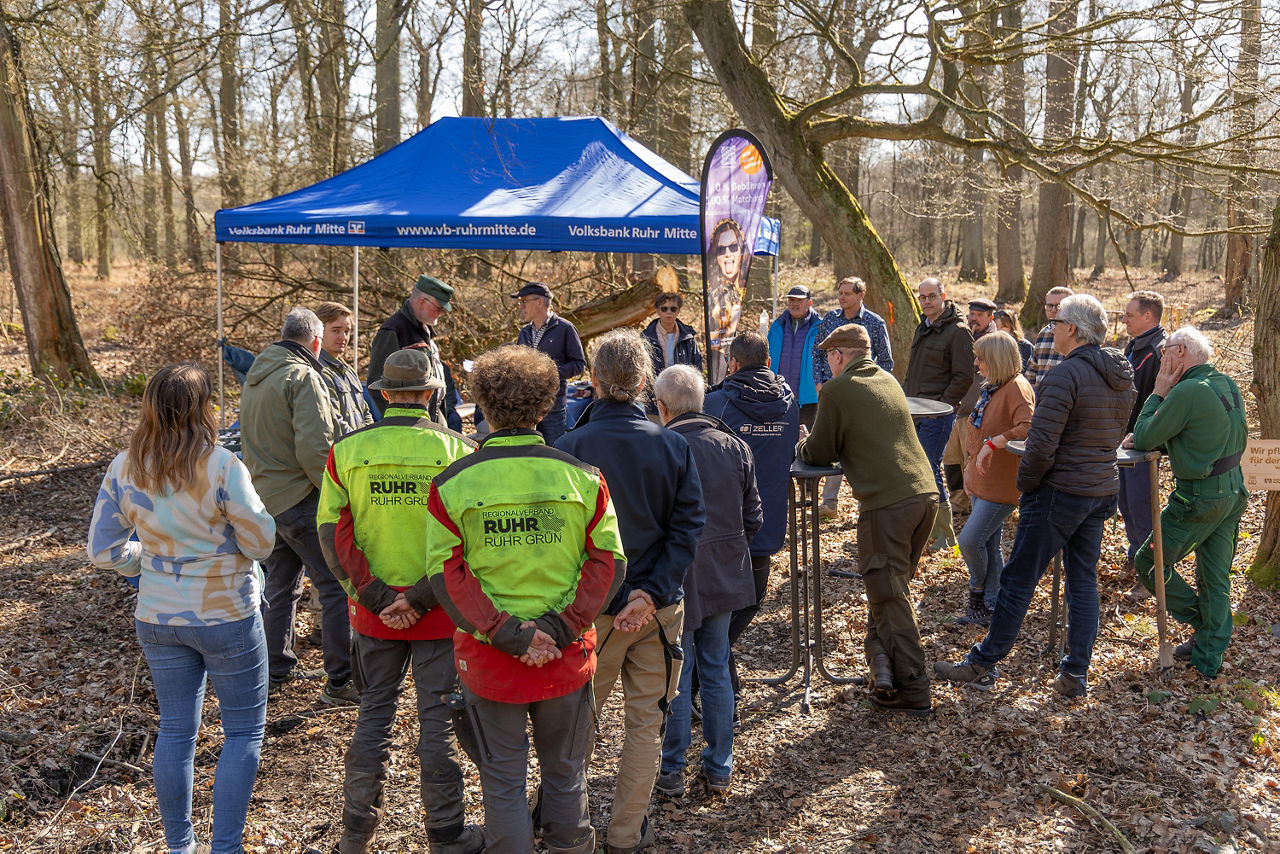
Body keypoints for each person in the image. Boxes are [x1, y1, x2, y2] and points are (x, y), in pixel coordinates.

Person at [426, 345, 627, 854]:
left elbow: (445, 573)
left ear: (485, 410)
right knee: (565, 774)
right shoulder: (581, 477)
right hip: (563, 656)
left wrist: (507, 634)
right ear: (544, 407)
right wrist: (557, 630)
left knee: (502, 783)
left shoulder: (452, 483)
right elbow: (610, 563)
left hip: (491, 659)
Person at [88, 364, 276, 854]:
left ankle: (179, 847)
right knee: (242, 731)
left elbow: (103, 552)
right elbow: (261, 542)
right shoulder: (221, 465)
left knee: (175, 732)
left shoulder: (125, 466)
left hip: (158, 615)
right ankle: (226, 848)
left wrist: (146, 559)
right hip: (227, 613)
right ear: (203, 408)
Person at [316, 350, 482, 854]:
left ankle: (353, 838)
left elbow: (332, 534)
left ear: (383, 393)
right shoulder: (457, 450)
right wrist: (420, 597)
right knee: (438, 718)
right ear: (431, 394)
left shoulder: (346, 451)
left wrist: (378, 597)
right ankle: (447, 835)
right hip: (439, 613)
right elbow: (467, 541)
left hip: (374, 613)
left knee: (374, 716)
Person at [936, 295, 1134, 699]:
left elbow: (1041, 446)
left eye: (1057, 322)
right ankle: (1075, 673)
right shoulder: (1120, 376)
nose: (1051, 329)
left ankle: (983, 661)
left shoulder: (1066, 375)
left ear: (1073, 330)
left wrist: (1027, 485)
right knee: (1082, 582)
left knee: (1017, 580)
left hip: (1059, 492)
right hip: (1097, 490)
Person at [555, 328, 705, 854]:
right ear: (644, 382)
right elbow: (688, 530)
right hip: (654, 610)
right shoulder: (673, 445)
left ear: (593, 381)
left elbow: (565, 542)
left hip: (598, 609)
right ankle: (623, 834)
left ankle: (564, 826)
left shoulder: (569, 448)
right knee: (645, 726)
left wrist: (625, 598)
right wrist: (650, 595)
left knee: (576, 727)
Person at [798, 324, 939, 716]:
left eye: (828, 355)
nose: (827, 362)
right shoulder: (887, 380)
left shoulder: (840, 390)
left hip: (887, 503)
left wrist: (802, 440)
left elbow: (818, 452)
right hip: (924, 495)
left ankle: (915, 690)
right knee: (889, 592)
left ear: (840, 355)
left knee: (889, 595)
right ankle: (884, 673)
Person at [654, 365, 762, 798]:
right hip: (721, 571)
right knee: (715, 666)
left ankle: (673, 769)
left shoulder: (663, 447)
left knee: (679, 671)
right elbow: (754, 517)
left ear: (662, 408)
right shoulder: (733, 445)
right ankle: (719, 766)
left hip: (678, 573)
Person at [240, 307, 354, 704]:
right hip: (301, 499)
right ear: (316, 342)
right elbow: (315, 449)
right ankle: (341, 681)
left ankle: (274, 667)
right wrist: (338, 497)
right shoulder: (304, 376)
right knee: (336, 585)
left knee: (281, 585)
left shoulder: (258, 375)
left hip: (265, 498)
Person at [1127, 326, 1248, 680]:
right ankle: (1207, 657)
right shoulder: (1225, 382)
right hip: (1233, 493)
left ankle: (1210, 626)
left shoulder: (1186, 391)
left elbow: (1146, 434)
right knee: (1214, 577)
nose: (1163, 359)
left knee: (1149, 562)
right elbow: (1204, 435)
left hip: (1198, 499)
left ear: (1180, 352)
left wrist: (1158, 392)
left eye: (1166, 352)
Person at [704, 332, 799, 707]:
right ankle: (718, 679)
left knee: (715, 622)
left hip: (722, 528)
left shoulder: (714, 403)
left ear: (734, 364)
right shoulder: (790, 404)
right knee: (748, 602)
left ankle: (712, 680)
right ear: (769, 363)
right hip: (768, 523)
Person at [955, 332, 1035, 627]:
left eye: (981, 358)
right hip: (980, 480)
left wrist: (995, 442)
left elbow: (1028, 427)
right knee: (988, 545)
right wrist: (968, 467)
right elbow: (976, 434)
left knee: (969, 540)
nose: (976, 364)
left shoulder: (1016, 388)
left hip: (1001, 484)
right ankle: (993, 605)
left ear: (997, 360)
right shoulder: (991, 387)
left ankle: (977, 591)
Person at [812, 276, 893, 518]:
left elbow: (887, 362)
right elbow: (817, 354)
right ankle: (829, 503)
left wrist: (870, 386)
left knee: (861, 446)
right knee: (831, 441)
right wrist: (819, 383)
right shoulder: (829, 320)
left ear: (860, 296)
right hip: (832, 391)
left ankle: (865, 503)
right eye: (840, 293)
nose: (842, 297)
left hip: (863, 396)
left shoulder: (874, 323)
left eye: (847, 293)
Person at [903, 277, 974, 548]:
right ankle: (923, 529)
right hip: (913, 412)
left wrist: (942, 406)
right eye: (922, 297)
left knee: (929, 469)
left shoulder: (958, 331)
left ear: (943, 296)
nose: (927, 302)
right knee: (915, 470)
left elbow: (964, 376)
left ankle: (944, 535)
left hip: (937, 415)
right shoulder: (923, 327)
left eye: (932, 296)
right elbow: (914, 372)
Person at [1118, 290, 1168, 601]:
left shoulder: (1161, 350)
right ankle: (1136, 555)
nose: (1123, 319)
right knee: (1125, 503)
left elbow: (1165, 400)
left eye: (1129, 315)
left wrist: (1148, 436)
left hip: (1144, 442)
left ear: (1148, 317)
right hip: (1123, 440)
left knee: (1142, 508)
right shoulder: (1134, 346)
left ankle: (1150, 574)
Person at [366, 275, 455, 424]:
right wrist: (398, 420)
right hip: (407, 424)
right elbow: (376, 381)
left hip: (430, 419)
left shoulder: (426, 330)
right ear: (421, 301)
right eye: (439, 308)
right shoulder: (393, 330)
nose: (441, 313)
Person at [512, 281, 587, 445]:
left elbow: (579, 364)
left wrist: (549, 372)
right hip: (527, 407)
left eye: (524, 301)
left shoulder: (565, 328)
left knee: (555, 453)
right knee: (529, 455)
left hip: (553, 408)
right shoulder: (524, 332)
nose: (520, 306)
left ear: (540, 302)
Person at [944, 296, 1000, 512]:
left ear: (990, 317)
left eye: (979, 315)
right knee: (951, 460)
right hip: (955, 408)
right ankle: (959, 502)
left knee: (973, 459)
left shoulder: (995, 342)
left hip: (978, 411)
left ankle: (978, 504)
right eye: (971, 315)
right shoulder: (963, 336)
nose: (973, 319)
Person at [314, 301, 373, 436]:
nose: (343, 337)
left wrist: (371, 437)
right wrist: (360, 443)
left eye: (346, 331)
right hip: (342, 451)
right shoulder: (318, 370)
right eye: (336, 330)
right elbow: (334, 420)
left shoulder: (349, 371)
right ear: (319, 331)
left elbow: (365, 411)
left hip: (358, 449)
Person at [767, 284, 822, 427]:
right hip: (779, 396)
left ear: (809, 302)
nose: (795, 304)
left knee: (806, 440)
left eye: (799, 300)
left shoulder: (820, 327)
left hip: (808, 397)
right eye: (791, 300)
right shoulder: (777, 326)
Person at [707, 218, 747, 382]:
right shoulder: (712, 296)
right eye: (721, 249)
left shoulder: (748, 291)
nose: (728, 253)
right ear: (715, 256)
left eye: (733, 246)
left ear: (741, 251)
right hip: (718, 370)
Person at [642, 291, 703, 379]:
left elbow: (697, 367)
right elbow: (642, 371)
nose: (669, 312)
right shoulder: (646, 338)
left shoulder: (688, 337)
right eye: (664, 309)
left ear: (678, 311)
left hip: (683, 387)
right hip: (656, 389)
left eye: (673, 309)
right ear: (657, 311)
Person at [1023, 286, 1074, 391]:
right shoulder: (1043, 333)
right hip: (1040, 399)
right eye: (1050, 305)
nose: (1054, 310)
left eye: (1059, 306)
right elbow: (1032, 369)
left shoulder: (1076, 334)